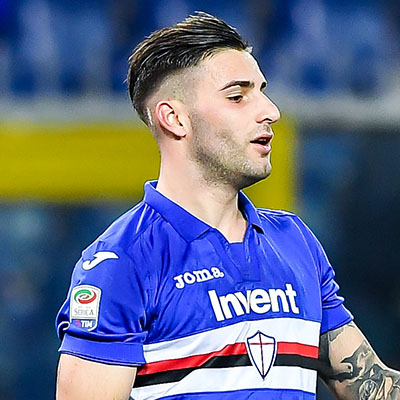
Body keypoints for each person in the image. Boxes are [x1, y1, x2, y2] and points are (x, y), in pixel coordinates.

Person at [55, 12, 400, 400]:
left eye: (263, 91)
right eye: (238, 96)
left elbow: (372, 386)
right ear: (175, 119)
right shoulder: (122, 263)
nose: (270, 111)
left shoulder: (294, 240)